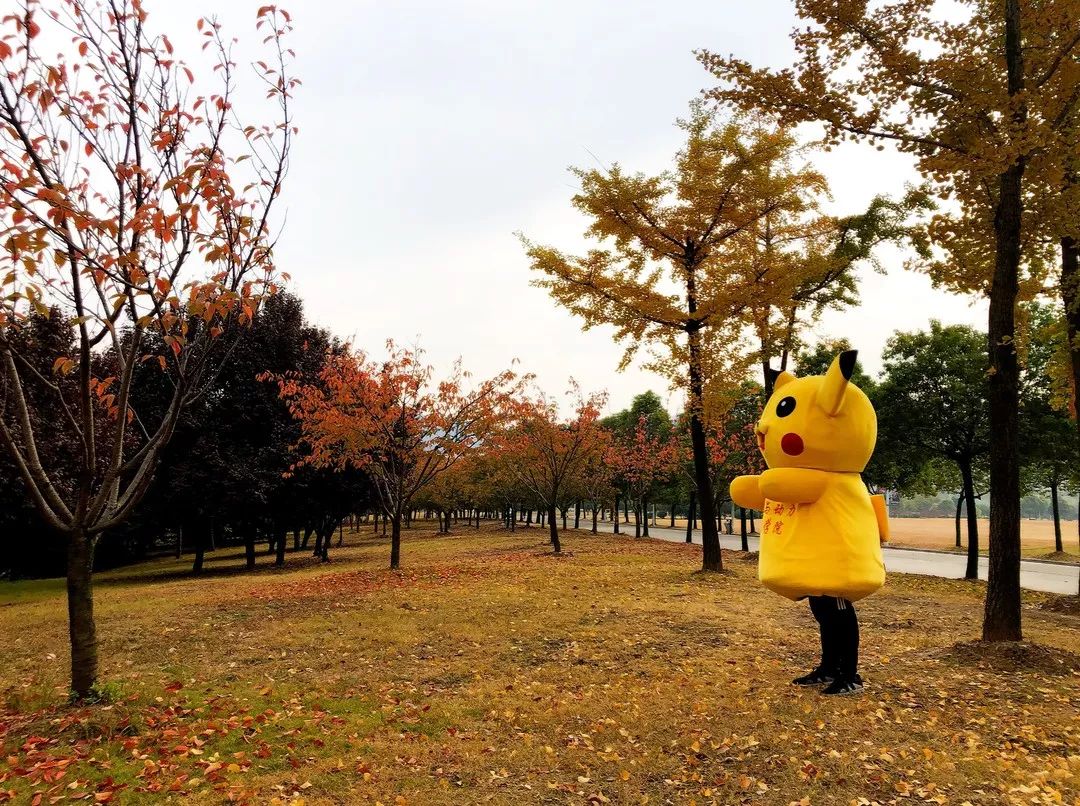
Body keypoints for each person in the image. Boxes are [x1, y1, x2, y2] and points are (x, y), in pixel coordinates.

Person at [729, 351, 887, 696]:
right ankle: (828, 667)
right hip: (818, 564)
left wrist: (766, 484)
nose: (765, 428)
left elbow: (785, 486)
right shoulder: (798, 478)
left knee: (840, 612)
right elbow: (772, 490)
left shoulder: (834, 480)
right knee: (822, 609)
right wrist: (757, 487)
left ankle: (851, 674)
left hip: (838, 562)